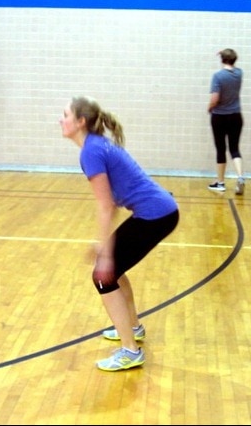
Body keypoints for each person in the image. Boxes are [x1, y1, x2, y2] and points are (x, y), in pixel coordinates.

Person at [60, 96, 179, 371]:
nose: (60, 120)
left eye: (65, 115)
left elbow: (105, 205)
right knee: (114, 268)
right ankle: (133, 328)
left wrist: (104, 252)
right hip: (160, 211)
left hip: (156, 215)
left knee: (103, 277)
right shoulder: (95, 145)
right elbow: (110, 204)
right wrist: (105, 249)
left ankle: (130, 351)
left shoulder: (91, 151)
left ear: (80, 122)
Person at [207, 48, 245, 194]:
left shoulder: (218, 76)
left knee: (221, 148)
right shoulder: (239, 73)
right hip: (236, 116)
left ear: (222, 59)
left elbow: (215, 99)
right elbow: (231, 61)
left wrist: (209, 108)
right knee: (234, 149)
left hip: (220, 117)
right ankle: (240, 177)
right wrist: (226, 53)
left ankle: (221, 182)